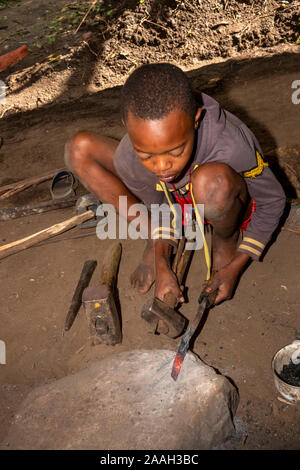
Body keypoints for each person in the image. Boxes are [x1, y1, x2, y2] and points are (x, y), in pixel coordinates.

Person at [64, 63, 286, 305]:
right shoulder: (131, 157)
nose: (161, 167)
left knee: (210, 182)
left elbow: (272, 200)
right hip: (175, 201)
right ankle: (156, 240)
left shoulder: (230, 145)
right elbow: (158, 206)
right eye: (147, 155)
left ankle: (225, 239)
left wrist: (238, 264)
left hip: (218, 196)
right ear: (126, 127)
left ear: (196, 119)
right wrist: (161, 261)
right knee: (79, 149)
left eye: (176, 150)